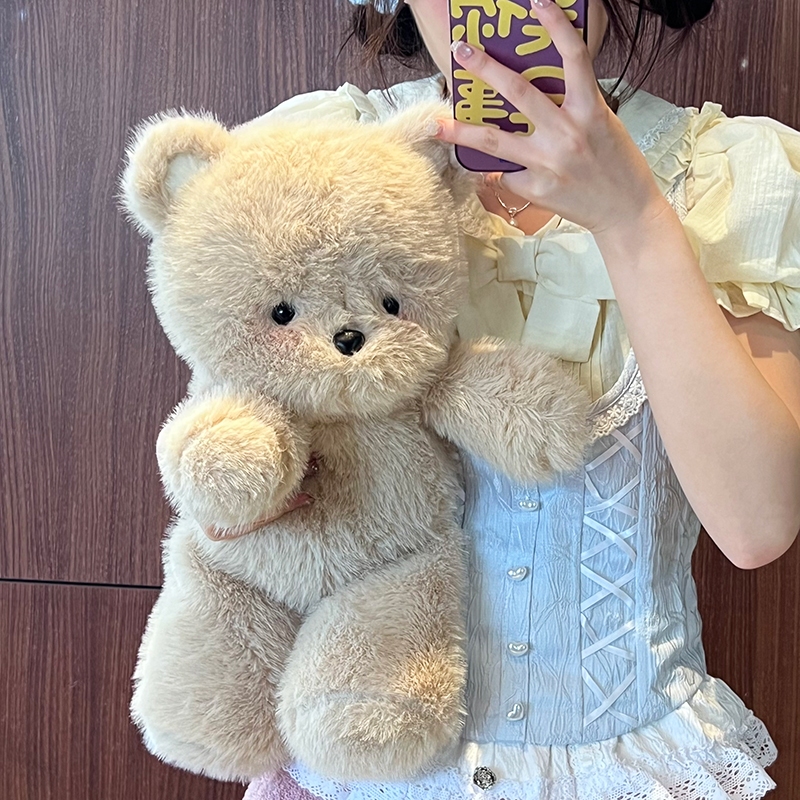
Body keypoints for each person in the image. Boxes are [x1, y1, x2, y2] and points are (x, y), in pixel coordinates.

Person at [243, 0, 800, 797]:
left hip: (631, 770)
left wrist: (633, 216)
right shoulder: (313, 160)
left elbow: (756, 526)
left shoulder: (726, 176)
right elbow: (234, 473)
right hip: (355, 762)